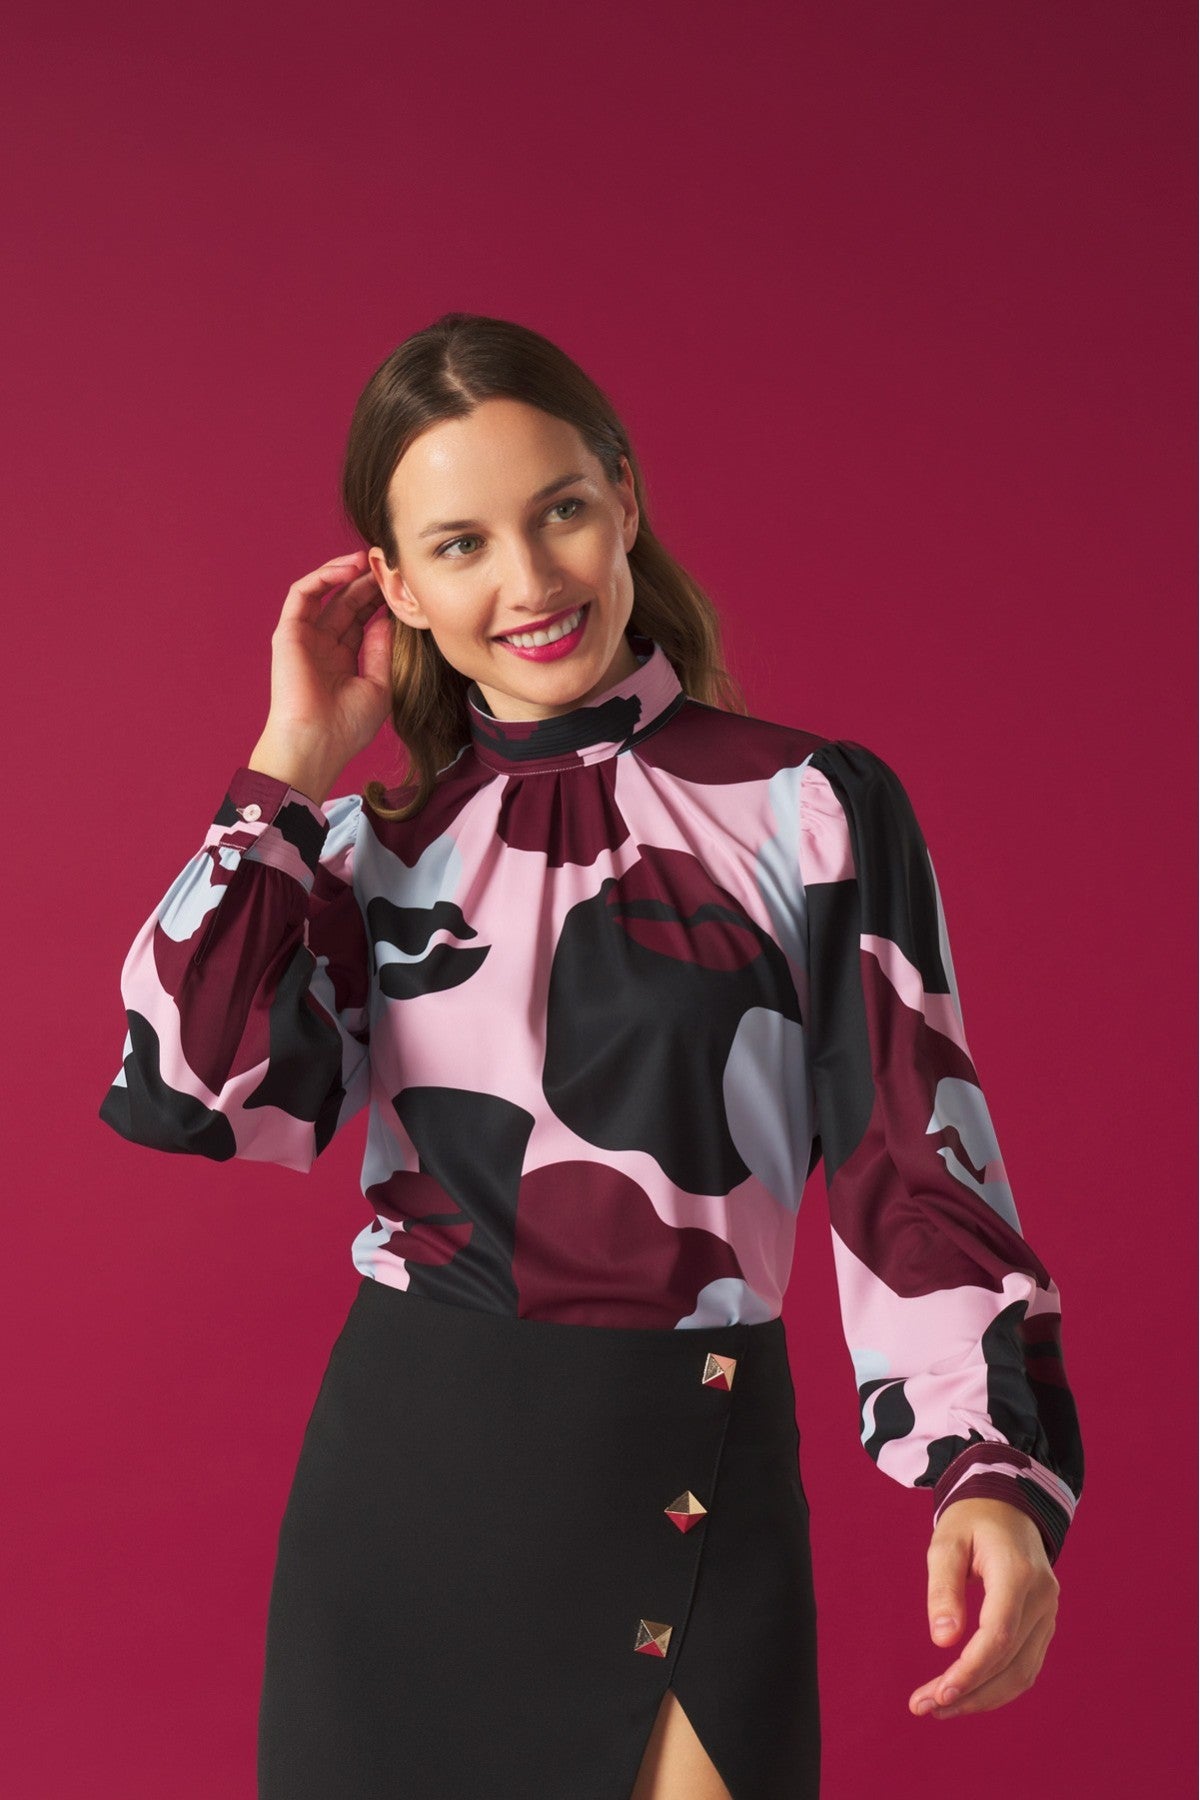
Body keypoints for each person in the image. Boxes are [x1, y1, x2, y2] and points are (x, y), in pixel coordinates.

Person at [98, 312, 1084, 1800]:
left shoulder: (809, 808)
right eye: (460, 545)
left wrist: (986, 1470)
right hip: (403, 1498)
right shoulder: (363, 853)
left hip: (686, 1465)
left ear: (624, 497)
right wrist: (288, 763)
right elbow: (185, 1094)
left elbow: (911, 1155)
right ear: (400, 586)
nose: (531, 580)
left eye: (559, 509)